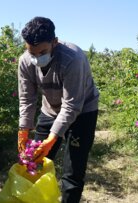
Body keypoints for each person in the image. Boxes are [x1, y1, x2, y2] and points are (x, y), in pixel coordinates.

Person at [17, 16, 99, 203]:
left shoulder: (73, 58)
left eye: (43, 52)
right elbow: (27, 98)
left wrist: (52, 138)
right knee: (34, 163)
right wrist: (23, 130)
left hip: (83, 111)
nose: (37, 58)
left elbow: (72, 105)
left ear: (54, 42)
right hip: (50, 110)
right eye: (32, 53)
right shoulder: (25, 62)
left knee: (72, 172)